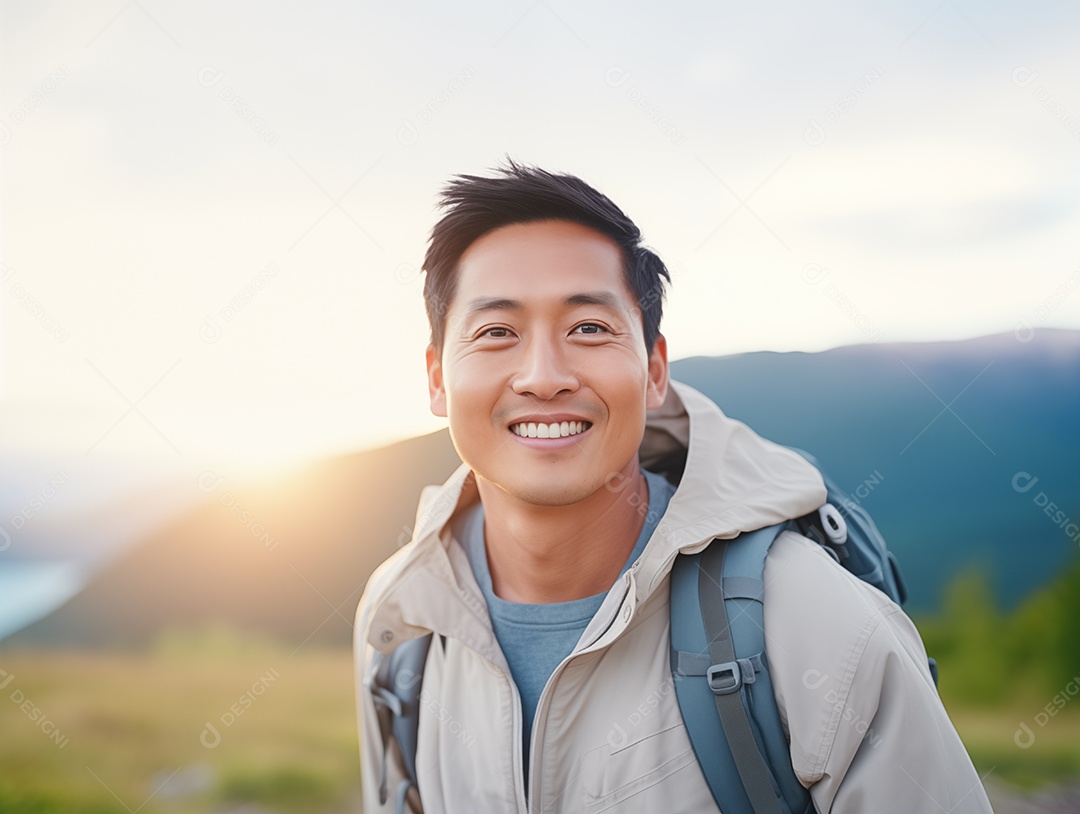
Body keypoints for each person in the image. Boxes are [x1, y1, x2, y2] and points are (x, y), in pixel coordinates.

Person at [354, 161, 993, 813]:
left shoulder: (819, 624)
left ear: (655, 370)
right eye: (496, 333)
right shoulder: (402, 619)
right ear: (436, 378)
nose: (542, 376)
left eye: (589, 328)